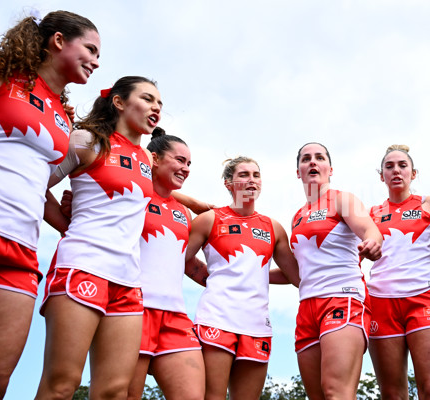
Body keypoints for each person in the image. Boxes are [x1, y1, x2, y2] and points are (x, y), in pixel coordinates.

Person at [35, 76, 161, 399]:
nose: (156, 107)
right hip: (82, 267)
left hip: (129, 281)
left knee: (115, 391)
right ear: (119, 102)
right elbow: (35, 182)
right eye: (147, 99)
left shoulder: (147, 160)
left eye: (159, 103)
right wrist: (64, 222)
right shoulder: (85, 140)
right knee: (62, 383)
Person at [0, 10, 99, 398]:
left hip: (22, 246)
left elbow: (40, 183)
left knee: (3, 376)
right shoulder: (6, 78)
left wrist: (66, 221)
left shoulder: (62, 116)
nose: (95, 60)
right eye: (89, 49)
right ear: (59, 41)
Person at [184, 156, 300, 400]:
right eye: (244, 175)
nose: (251, 180)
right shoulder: (209, 219)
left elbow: (295, 276)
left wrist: (254, 276)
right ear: (228, 183)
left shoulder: (273, 227)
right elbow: (179, 259)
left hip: (257, 325)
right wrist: (208, 278)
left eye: (256, 175)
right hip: (216, 318)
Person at [291, 142, 382, 400]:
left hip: (342, 297)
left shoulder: (343, 199)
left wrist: (374, 241)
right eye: (305, 159)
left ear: (330, 169)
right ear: (298, 171)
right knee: (317, 396)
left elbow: (368, 228)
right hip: (306, 306)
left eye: (319, 158)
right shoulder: (297, 216)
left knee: (336, 392)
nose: (312, 162)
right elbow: (298, 270)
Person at [367, 145, 430, 400]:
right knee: (391, 394)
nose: (396, 171)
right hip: (380, 303)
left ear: (413, 173)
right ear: (381, 175)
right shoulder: (371, 214)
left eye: (402, 166)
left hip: (423, 298)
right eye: (389, 166)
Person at [126, 128, 205, 400]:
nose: (185, 168)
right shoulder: (134, 195)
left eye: (189, 164)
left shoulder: (183, 212)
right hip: (133, 309)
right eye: (180, 160)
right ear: (154, 158)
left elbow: (188, 264)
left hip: (175, 316)